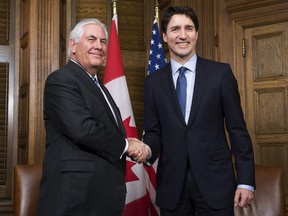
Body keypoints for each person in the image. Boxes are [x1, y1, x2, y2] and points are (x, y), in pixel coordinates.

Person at [142, 6, 255, 216]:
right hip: (172, 186)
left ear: (196, 34)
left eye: (189, 28)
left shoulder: (221, 74)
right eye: (175, 29)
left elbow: (237, 130)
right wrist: (147, 149)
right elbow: (153, 132)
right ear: (165, 36)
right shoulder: (153, 83)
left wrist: (246, 181)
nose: (182, 35)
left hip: (216, 183)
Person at [37, 18, 147, 216]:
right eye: (92, 39)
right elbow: (83, 129)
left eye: (103, 41)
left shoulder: (101, 88)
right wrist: (126, 146)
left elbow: (106, 131)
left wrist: (126, 142)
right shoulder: (61, 80)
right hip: (76, 199)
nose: (99, 46)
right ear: (73, 45)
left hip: (102, 197)